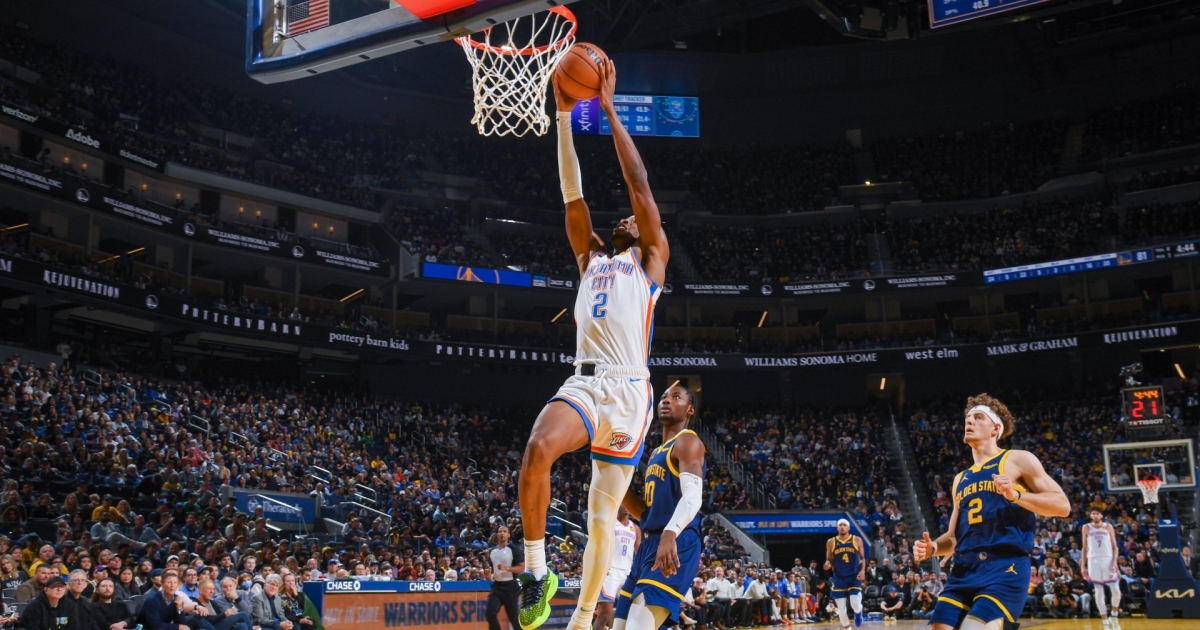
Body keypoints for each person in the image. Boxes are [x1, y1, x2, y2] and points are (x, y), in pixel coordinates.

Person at [516, 58, 670, 630]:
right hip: (585, 380)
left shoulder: (650, 262)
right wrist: (563, 116)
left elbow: (638, 181)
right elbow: (571, 194)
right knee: (538, 448)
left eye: (635, 218)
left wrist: (607, 107)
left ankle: (583, 620)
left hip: (629, 393)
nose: (627, 216)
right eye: (623, 218)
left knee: (602, 521)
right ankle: (537, 574)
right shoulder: (590, 261)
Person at [914, 394, 1070, 630]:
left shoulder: (1017, 459)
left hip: (1004, 566)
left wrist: (1016, 496)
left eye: (978, 417)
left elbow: (1062, 505)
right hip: (964, 568)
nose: (969, 421)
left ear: (996, 428)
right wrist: (934, 548)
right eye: (968, 418)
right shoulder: (960, 479)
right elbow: (954, 537)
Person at [612, 385, 705, 630]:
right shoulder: (655, 452)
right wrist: (615, 485)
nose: (666, 400)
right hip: (649, 543)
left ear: (690, 409)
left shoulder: (687, 441)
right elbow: (646, 513)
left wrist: (670, 533)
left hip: (676, 540)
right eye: (663, 397)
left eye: (676, 397)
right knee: (620, 626)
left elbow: (693, 497)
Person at [595, 507, 640, 630]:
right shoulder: (610, 524)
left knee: (632, 612)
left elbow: (639, 553)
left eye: (627, 506)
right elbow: (599, 545)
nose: (626, 509)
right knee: (605, 613)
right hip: (610, 571)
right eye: (623, 505)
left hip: (628, 573)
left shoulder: (635, 528)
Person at [1081, 508, 1121, 629]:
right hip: (1093, 560)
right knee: (1098, 591)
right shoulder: (1086, 527)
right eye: (1093, 513)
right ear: (1090, 515)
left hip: (1108, 559)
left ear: (1101, 515)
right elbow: (1084, 548)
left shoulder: (1108, 527)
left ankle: (1114, 616)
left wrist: (1115, 561)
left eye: (1097, 513)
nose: (1095, 515)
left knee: (1116, 591)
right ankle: (1105, 622)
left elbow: (1115, 547)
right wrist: (1083, 566)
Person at [825, 519, 865, 630]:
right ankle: (847, 628)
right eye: (840, 525)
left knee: (855, 604)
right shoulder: (831, 542)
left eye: (844, 525)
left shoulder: (857, 540)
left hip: (854, 576)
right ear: (837, 528)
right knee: (841, 609)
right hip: (839, 577)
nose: (842, 527)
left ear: (848, 528)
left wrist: (862, 571)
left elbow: (862, 558)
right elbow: (828, 560)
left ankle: (858, 612)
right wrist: (826, 565)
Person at [486, 526, 524, 630]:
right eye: (500, 532)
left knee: (514, 619)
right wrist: (488, 575)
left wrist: (507, 568)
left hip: (510, 587)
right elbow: (493, 571)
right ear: (497, 535)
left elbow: (522, 568)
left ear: (508, 535)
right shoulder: (493, 552)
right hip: (497, 587)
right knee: (490, 614)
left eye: (504, 531)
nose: (502, 533)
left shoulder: (513, 549)